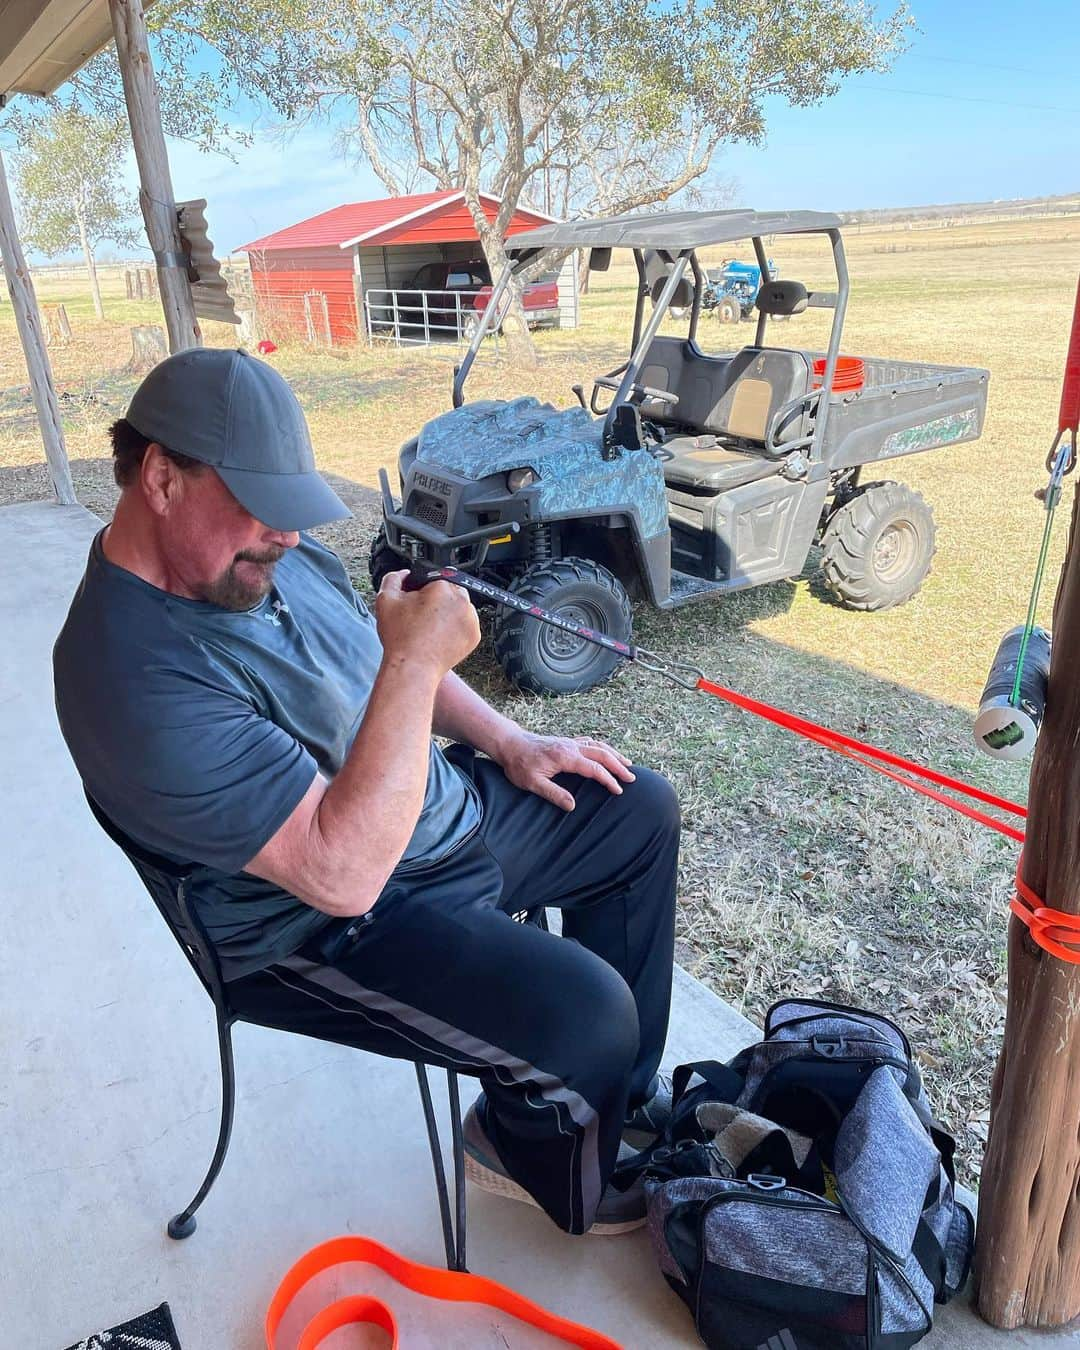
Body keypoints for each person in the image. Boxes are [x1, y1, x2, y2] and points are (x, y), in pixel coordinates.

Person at [53, 348, 680, 1236]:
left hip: (417, 821)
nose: (291, 537)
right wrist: (421, 655)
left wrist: (509, 739)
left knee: (635, 811)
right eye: (266, 510)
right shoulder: (124, 676)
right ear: (161, 477)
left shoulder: (263, 558)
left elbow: (385, 668)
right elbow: (338, 871)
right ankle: (538, 1155)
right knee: (587, 1017)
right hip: (318, 924)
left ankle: (615, 1098)